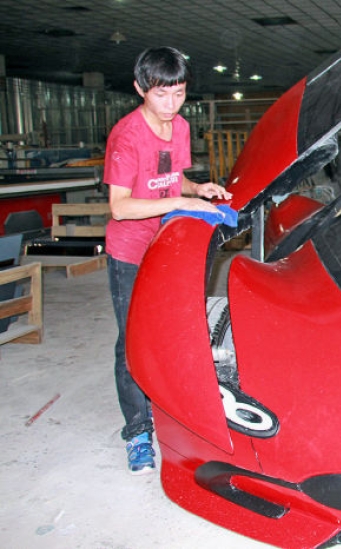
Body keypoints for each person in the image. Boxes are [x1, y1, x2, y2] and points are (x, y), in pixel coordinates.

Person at [104, 47, 232, 474]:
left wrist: (197, 190)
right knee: (132, 341)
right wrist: (179, 200)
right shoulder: (127, 136)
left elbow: (172, 177)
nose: (171, 104)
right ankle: (137, 432)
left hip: (165, 244)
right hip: (129, 251)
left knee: (171, 331)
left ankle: (171, 409)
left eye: (178, 94)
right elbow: (120, 206)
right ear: (140, 89)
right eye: (161, 94)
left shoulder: (180, 126)